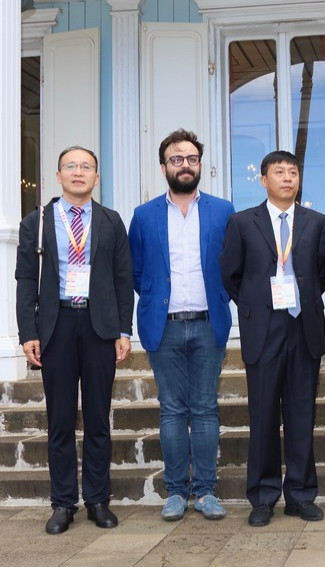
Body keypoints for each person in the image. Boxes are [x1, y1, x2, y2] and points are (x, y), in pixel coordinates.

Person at [15, 146, 133, 534]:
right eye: (71, 166)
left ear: (97, 177)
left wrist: (123, 330)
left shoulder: (111, 221)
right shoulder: (37, 221)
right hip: (57, 326)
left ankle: (98, 499)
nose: (79, 172)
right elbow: (26, 280)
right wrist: (28, 332)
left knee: (99, 418)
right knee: (61, 420)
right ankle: (63, 503)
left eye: (86, 167)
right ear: (58, 174)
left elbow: (122, 280)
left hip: (100, 327)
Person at [128, 129, 235, 521]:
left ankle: (205, 491)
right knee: (172, 410)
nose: (185, 164)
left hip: (209, 324)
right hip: (164, 326)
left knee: (205, 408)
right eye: (177, 159)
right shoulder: (144, 215)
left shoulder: (223, 211)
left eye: (191, 158)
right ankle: (175, 491)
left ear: (200, 165)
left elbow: (232, 265)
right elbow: (136, 273)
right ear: (164, 167)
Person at [220, 150, 325, 525]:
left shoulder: (316, 221)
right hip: (263, 330)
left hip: (303, 327)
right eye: (279, 172)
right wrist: (255, 305)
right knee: (263, 415)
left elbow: (322, 271)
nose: (287, 178)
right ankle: (263, 497)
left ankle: (300, 495)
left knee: (302, 414)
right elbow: (230, 275)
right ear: (263, 179)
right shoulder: (242, 222)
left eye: (293, 172)